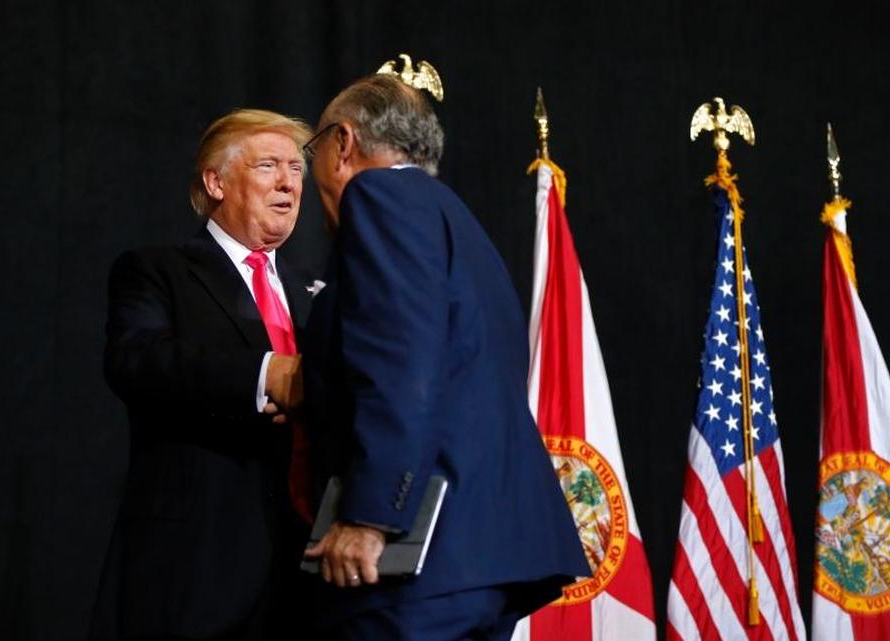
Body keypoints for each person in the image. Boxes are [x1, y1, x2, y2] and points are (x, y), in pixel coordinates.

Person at [301, 74, 589, 641]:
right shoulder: (454, 218)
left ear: (342, 143)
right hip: (484, 554)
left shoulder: (378, 197)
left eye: (310, 154)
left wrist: (371, 515)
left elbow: (400, 362)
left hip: (421, 562)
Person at [91, 109, 315, 640]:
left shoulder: (318, 292)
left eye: (296, 169)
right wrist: (266, 375)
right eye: (268, 165)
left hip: (307, 571)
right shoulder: (157, 271)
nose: (288, 182)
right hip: (199, 567)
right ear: (216, 182)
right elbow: (138, 360)